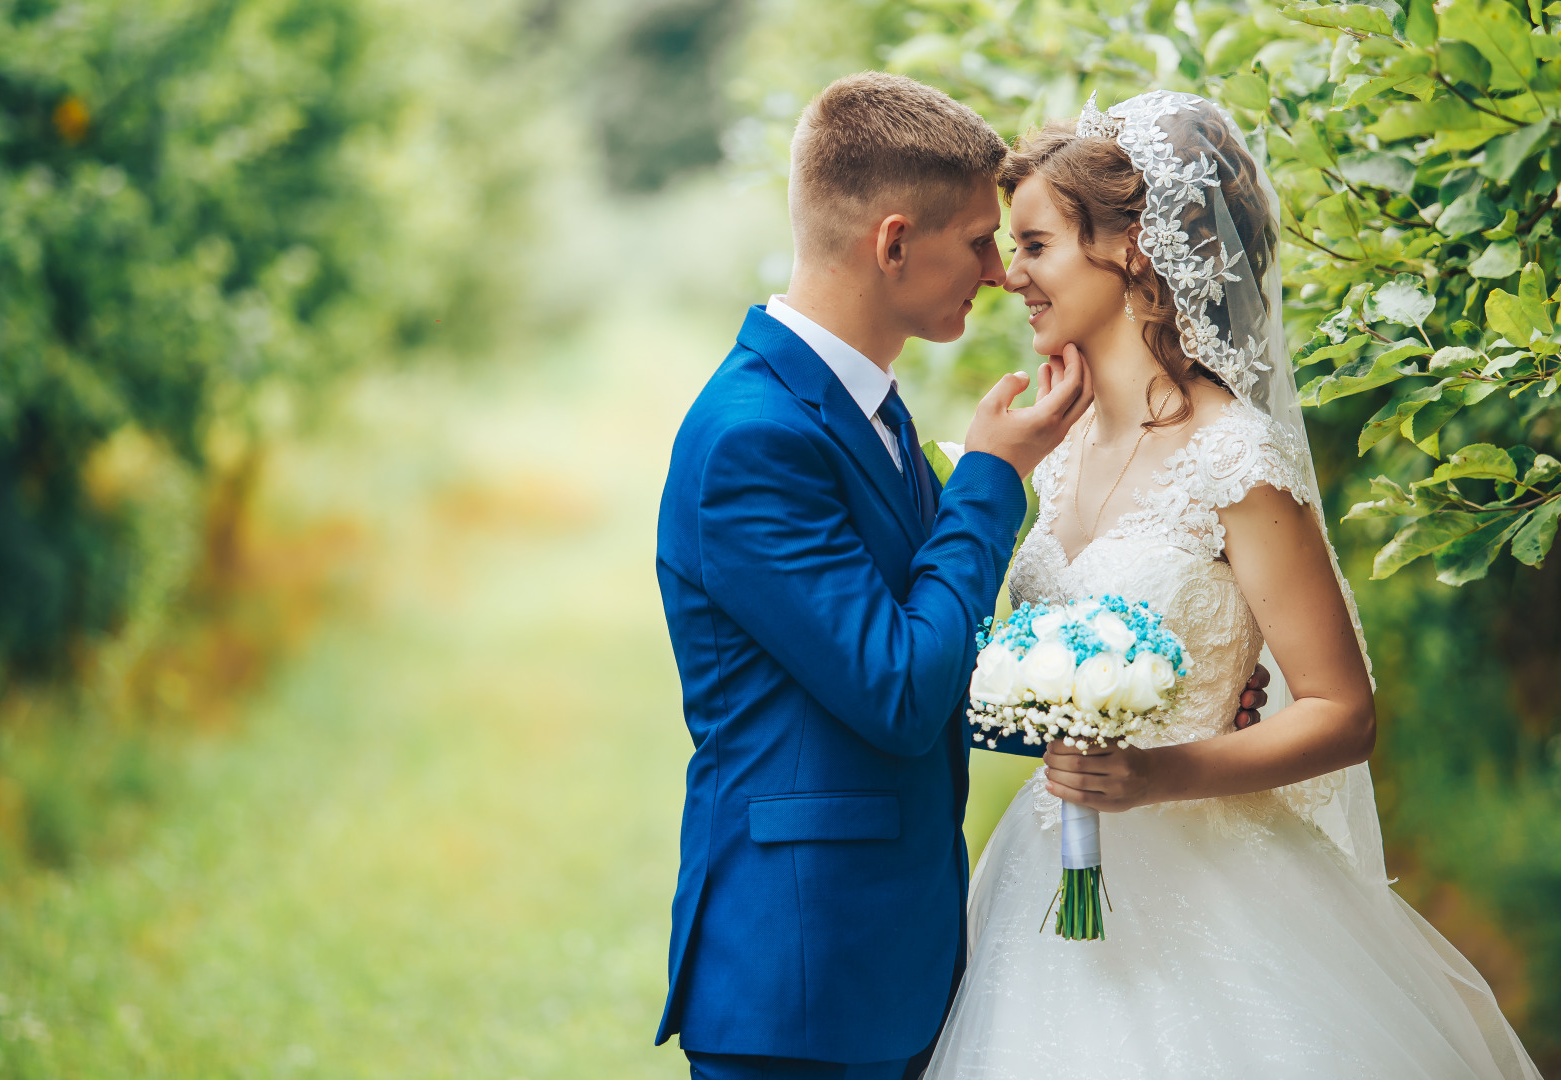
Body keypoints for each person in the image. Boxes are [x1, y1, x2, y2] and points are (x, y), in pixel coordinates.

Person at [653, 74, 1268, 1080]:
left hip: (898, 957)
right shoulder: (751, 440)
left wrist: (1161, 699)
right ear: (894, 243)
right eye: (982, 242)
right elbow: (897, 687)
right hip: (803, 981)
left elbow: (934, 660)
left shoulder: (874, 413)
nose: (996, 275)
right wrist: (991, 479)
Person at [924, 91, 1541, 1079]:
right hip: (1041, 886)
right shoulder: (1058, 444)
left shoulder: (1236, 459)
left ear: (1129, 247)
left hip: (1215, 897)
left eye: (1035, 244)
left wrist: (1159, 774)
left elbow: (1342, 711)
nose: (1012, 277)